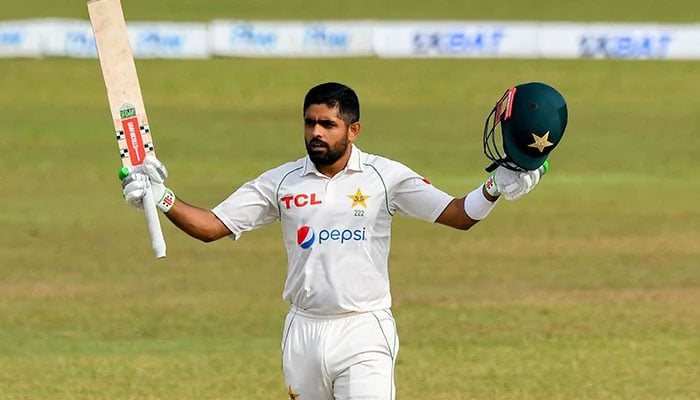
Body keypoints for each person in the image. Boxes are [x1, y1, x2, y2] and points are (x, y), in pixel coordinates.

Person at [121, 81, 567, 400]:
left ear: (353, 130)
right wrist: (162, 198)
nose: (317, 133)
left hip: (363, 329)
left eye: (329, 125)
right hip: (303, 330)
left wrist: (493, 190)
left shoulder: (385, 176)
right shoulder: (281, 181)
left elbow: (457, 214)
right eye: (311, 124)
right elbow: (212, 226)